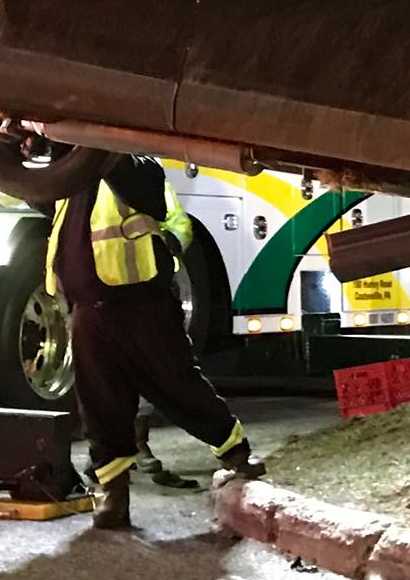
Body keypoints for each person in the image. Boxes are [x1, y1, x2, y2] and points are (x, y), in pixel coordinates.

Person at [47, 155, 263, 530]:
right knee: (99, 406)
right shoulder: (74, 178)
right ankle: (114, 497)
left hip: (141, 304)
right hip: (88, 311)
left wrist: (89, 146)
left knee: (177, 384)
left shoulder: (137, 168)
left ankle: (238, 455)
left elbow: (163, 215)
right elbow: (37, 191)